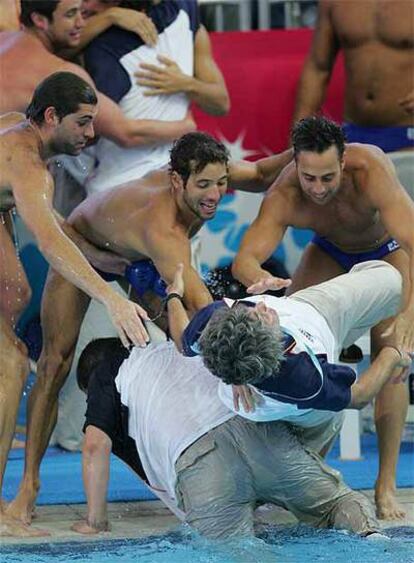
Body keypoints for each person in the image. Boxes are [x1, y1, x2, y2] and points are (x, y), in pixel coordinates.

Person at [6, 131, 293, 527]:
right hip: (84, 247)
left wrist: (303, 146)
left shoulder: (200, 175)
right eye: (204, 186)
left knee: (183, 346)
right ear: (177, 180)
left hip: (136, 259)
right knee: (56, 363)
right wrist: (237, 364)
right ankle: (27, 487)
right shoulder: (165, 232)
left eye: (222, 183)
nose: (215, 194)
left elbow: (262, 173)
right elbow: (202, 308)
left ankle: (225, 466)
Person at [232, 115, 414, 519]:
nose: (317, 189)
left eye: (327, 177)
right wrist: (257, 277)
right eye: (309, 177)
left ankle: (386, 484)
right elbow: (244, 259)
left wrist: (409, 316)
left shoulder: (372, 169)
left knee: (394, 354)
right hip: (329, 251)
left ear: (344, 160)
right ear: (295, 163)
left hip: (387, 250)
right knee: (298, 347)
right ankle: (309, 470)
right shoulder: (284, 192)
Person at [0, 72, 150, 538]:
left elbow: (53, 224)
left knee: (16, 291)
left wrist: (110, 264)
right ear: (50, 117)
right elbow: (48, 241)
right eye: (83, 123)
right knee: (12, 362)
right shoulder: (28, 165)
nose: (91, 134)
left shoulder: (13, 128)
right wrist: (111, 298)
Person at [71, 337, 383, 540]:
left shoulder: (107, 372)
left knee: (236, 552)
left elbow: (95, 445)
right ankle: (376, 542)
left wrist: (95, 521)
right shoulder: (173, 346)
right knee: (338, 503)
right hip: (258, 432)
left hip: (200, 462)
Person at [173, 261, 412, 425]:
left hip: (307, 309)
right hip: (320, 329)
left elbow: (183, 342)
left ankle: (350, 334)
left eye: (250, 309)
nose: (263, 305)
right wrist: (392, 355)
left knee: (389, 280)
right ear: (274, 345)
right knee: (391, 278)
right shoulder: (303, 378)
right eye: (262, 316)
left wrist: (173, 295)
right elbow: (358, 397)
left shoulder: (214, 319)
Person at [83, 0, 230, 193]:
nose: (88, 6)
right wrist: (185, 127)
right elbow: (122, 135)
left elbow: (222, 104)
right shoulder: (100, 46)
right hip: (119, 185)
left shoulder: (185, 14)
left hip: (175, 182)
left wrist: (187, 84)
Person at [293, 0, 413, 198]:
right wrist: (298, 138)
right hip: (354, 136)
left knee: (406, 225)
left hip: (408, 133)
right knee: (343, 224)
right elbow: (318, 68)